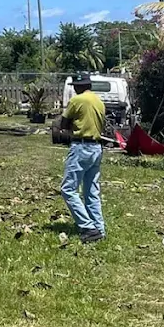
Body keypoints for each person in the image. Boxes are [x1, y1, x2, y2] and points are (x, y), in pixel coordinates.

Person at [60, 72, 106, 242]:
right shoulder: (99, 101)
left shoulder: (77, 100)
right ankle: (99, 228)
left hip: (81, 146)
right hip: (96, 147)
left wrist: (72, 125)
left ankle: (87, 226)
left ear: (78, 86)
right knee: (91, 190)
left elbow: (63, 124)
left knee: (68, 189)